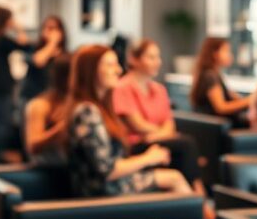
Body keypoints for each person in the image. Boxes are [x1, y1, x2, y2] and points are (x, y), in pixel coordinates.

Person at [67, 44, 192, 197]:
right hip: (103, 191)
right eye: (110, 65)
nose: (118, 70)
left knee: (175, 172)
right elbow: (107, 170)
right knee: (175, 178)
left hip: (112, 184)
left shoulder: (100, 107)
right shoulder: (87, 112)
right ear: (91, 71)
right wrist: (148, 158)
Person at [112, 39, 203, 190]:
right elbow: (137, 124)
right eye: (151, 57)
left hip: (155, 140)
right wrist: (162, 133)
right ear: (134, 59)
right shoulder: (122, 88)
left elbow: (169, 124)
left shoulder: (159, 90)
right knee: (186, 145)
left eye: (158, 57)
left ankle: (193, 198)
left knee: (182, 153)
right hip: (135, 146)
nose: (157, 62)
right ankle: (199, 196)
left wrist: (157, 136)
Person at [0, 6, 29, 164]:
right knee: (3, 120)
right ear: (6, 20)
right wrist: (19, 29)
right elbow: (24, 45)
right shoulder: (3, 39)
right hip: (1, 82)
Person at [23, 53, 72, 166]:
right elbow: (32, 146)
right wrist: (60, 129)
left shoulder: (81, 103)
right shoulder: (40, 105)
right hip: (49, 168)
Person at [190, 37, 251, 126]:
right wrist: (248, 101)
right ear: (215, 54)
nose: (230, 55)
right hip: (216, 126)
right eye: (226, 51)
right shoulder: (210, 76)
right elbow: (221, 107)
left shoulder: (214, 74)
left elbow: (232, 97)